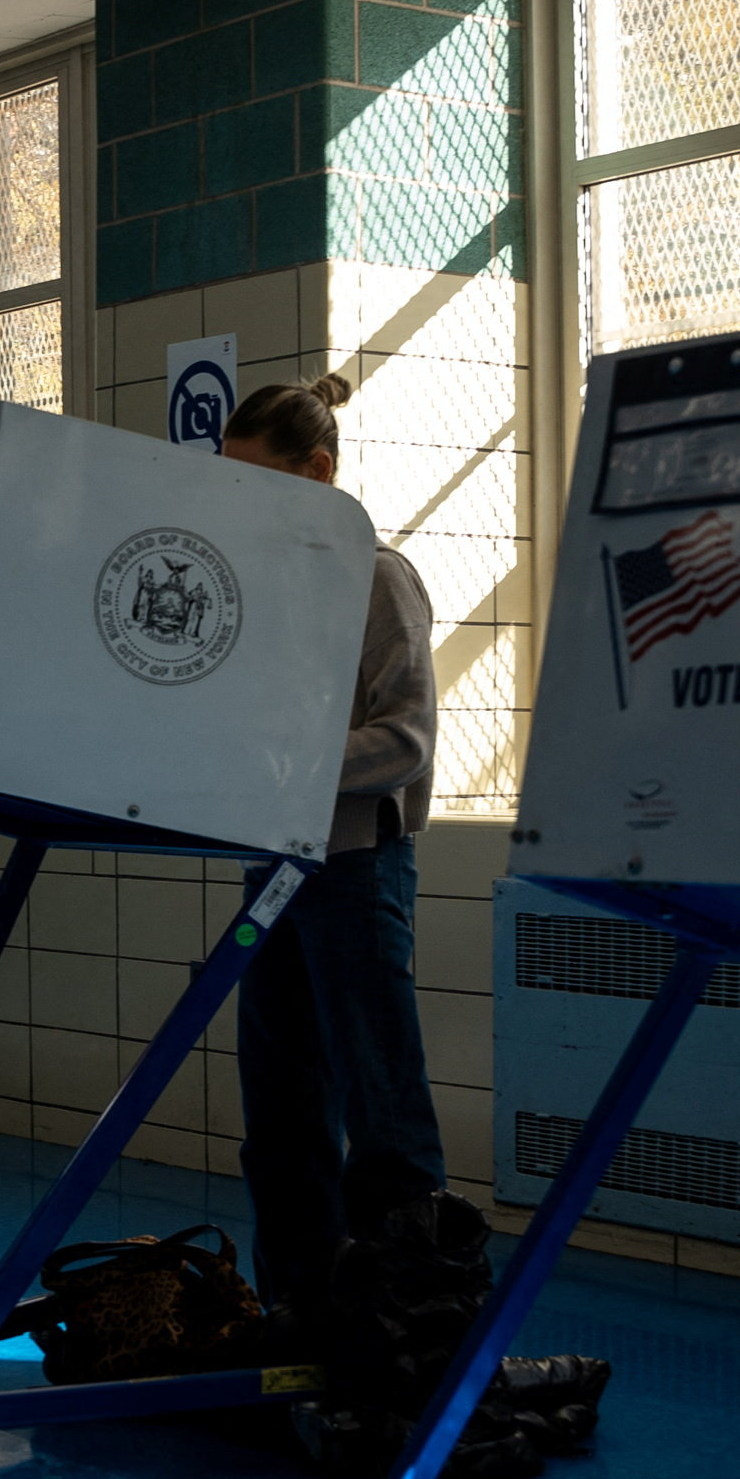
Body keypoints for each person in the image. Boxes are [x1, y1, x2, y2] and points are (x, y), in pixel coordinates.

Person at [217, 375, 447, 1318]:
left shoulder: (378, 577)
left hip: (355, 866)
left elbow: (408, 740)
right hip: (271, 865)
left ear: (319, 470)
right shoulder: (264, 590)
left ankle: (411, 1316)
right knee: (280, 1113)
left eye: (259, 482)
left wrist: (282, 761)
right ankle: (299, 1312)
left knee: (382, 1111)